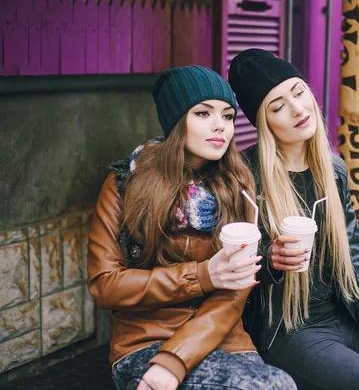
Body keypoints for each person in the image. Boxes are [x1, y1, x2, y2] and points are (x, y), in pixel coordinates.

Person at [228, 49, 359, 390]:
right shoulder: (245, 179)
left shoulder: (332, 169)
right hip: (289, 330)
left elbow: (354, 261)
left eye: (298, 92)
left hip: (341, 317)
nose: (297, 109)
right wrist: (270, 264)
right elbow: (230, 267)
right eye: (277, 106)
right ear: (263, 123)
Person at [87, 65, 296, 390]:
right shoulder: (125, 184)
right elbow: (105, 284)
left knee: (278, 385)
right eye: (203, 113)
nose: (220, 127)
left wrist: (177, 360)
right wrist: (202, 276)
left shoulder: (237, 184)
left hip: (224, 338)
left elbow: (234, 291)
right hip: (145, 342)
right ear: (175, 121)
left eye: (228, 116)